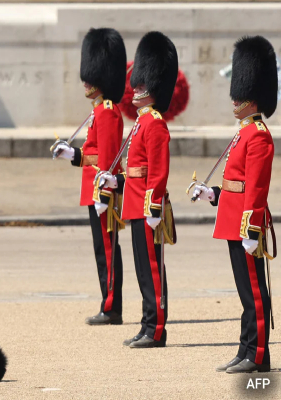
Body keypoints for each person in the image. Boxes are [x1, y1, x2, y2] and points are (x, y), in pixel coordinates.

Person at [190, 36, 276, 373]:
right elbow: (235, 183)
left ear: (252, 98)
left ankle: (258, 355)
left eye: (239, 95)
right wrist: (211, 193)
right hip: (232, 219)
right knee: (245, 292)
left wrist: (252, 229)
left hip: (245, 224)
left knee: (254, 291)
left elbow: (256, 187)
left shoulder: (259, 134)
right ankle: (245, 349)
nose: (234, 99)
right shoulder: (243, 132)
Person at [95, 31, 178, 348]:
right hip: (135, 203)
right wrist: (115, 182)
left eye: (142, 85)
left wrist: (154, 205)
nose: (136, 88)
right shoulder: (142, 122)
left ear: (153, 87)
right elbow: (136, 171)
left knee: (152, 269)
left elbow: (158, 171)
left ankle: (156, 329)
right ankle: (147, 324)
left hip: (147, 207)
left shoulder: (154, 122)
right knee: (143, 270)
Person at [52, 28, 127, 325]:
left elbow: (108, 159)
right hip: (93, 188)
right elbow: (93, 154)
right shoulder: (98, 111)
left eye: (91, 76)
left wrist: (104, 194)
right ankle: (108, 304)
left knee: (107, 249)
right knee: (101, 249)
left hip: (101, 191)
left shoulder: (107, 111)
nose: (86, 81)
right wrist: (71, 154)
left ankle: (111, 308)